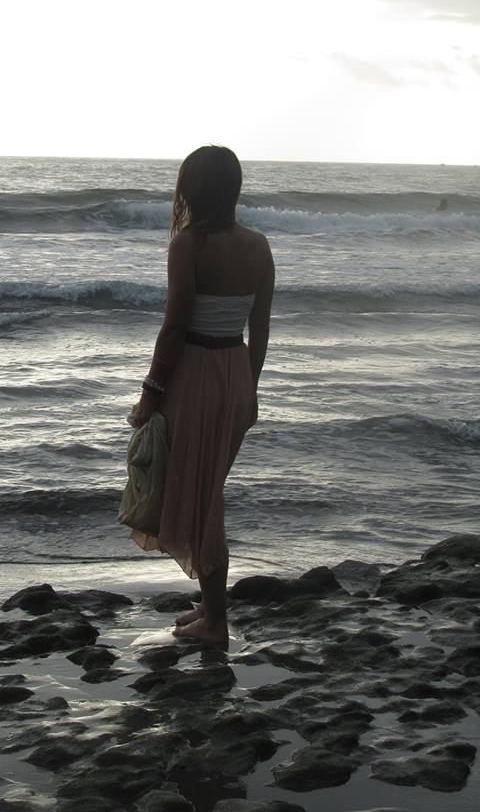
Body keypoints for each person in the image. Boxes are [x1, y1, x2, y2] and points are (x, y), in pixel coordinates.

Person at [129, 145, 274, 646]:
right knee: (206, 492)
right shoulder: (258, 245)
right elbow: (261, 328)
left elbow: (174, 327)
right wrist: (249, 392)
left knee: (202, 500)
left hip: (194, 372)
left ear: (190, 189)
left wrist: (151, 392)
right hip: (234, 370)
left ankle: (217, 623)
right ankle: (212, 608)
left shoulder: (189, 245)